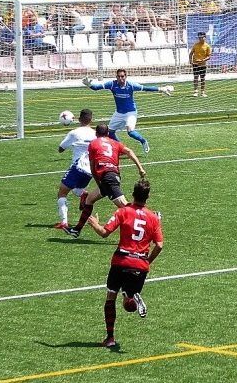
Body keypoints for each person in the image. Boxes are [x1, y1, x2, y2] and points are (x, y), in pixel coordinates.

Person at [86, 178, 164, 348]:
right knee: (128, 303)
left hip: (121, 260)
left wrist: (94, 224)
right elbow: (159, 245)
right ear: (148, 197)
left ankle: (110, 337)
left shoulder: (123, 211)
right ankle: (133, 297)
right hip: (140, 264)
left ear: (133, 194)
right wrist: (147, 261)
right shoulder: (153, 218)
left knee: (110, 299)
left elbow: (104, 233)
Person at [65, 123, 146, 238]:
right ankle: (77, 230)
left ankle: (151, 216)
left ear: (96, 134)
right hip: (111, 177)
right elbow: (129, 151)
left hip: (107, 179)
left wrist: (99, 183)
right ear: (108, 133)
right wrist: (140, 168)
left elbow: (93, 168)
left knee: (125, 208)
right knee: (89, 199)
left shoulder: (93, 144)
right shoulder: (114, 143)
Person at [81, 69, 173, 153]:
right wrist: (89, 85)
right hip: (118, 113)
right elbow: (97, 87)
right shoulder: (112, 84)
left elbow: (145, 88)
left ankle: (143, 141)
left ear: (126, 77)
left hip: (131, 112)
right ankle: (122, 148)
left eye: (122, 76)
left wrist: (161, 89)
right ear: (116, 77)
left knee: (130, 132)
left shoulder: (131, 85)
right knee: (110, 132)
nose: (121, 78)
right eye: (119, 76)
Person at [55, 109, 96, 230]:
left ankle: (64, 222)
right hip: (90, 170)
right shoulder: (95, 134)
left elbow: (61, 148)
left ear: (79, 119)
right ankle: (83, 194)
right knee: (77, 190)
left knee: (62, 192)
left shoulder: (74, 133)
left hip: (78, 167)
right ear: (91, 120)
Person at [189, 31, 211, 97]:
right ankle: (195, 91)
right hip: (195, 64)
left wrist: (203, 60)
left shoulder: (207, 46)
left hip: (203, 65)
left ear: (205, 38)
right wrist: (190, 60)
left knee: (202, 78)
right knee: (195, 77)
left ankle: (202, 92)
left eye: (202, 37)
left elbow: (209, 56)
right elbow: (191, 53)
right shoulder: (195, 45)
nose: (200, 39)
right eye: (199, 37)